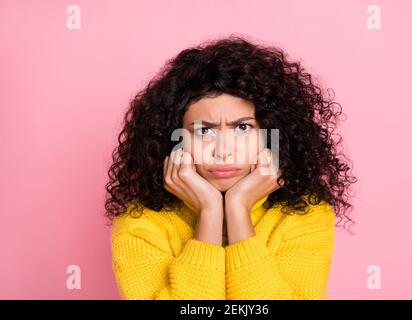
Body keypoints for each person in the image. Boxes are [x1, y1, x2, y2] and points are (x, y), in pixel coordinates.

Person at [105, 35, 357, 300]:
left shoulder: (305, 215)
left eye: (243, 127)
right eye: (204, 131)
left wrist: (238, 209)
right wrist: (209, 212)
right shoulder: (141, 225)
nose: (223, 151)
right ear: (173, 139)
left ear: (273, 135)